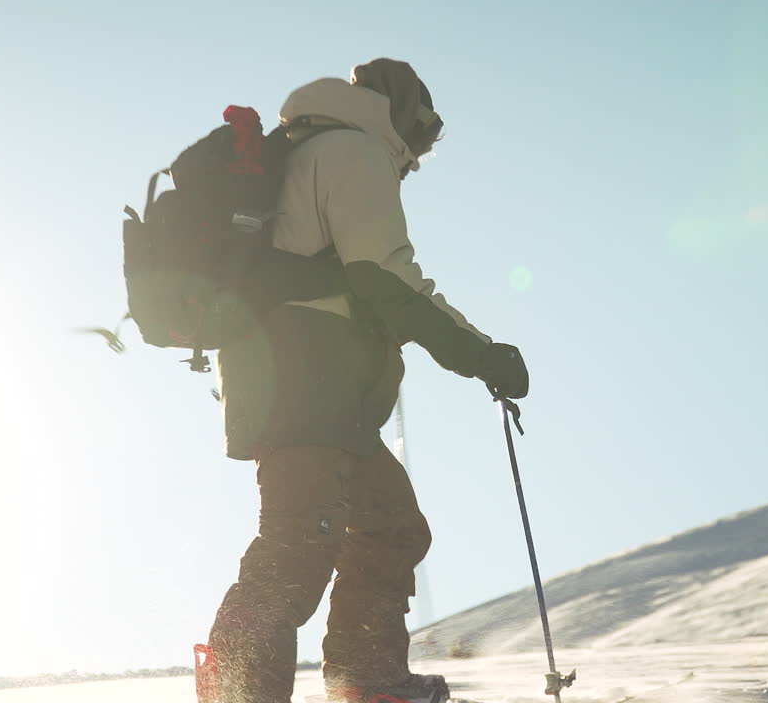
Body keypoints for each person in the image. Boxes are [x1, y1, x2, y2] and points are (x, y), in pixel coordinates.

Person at [206, 58, 529, 703]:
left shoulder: (309, 148)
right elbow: (385, 279)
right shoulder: (353, 151)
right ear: (404, 114)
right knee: (299, 542)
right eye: (424, 135)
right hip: (305, 380)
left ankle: (368, 682)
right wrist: (483, 355)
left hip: (310, 386)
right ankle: (237, 692)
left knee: (390, 527)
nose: (420, 154)